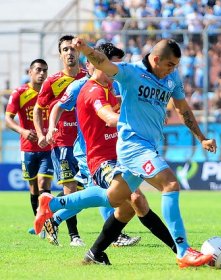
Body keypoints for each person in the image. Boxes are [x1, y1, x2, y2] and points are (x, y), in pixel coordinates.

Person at [35, 38, 217, 268]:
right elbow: (104, 63)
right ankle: (182, 250)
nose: (173, 70)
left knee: (114, 199)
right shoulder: (131, 73)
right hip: (132, 146)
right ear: (156, 59)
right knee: (170, 184)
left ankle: (52, 206)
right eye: (170, 65)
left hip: (146, 146)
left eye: (176, 66)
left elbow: (182, 109)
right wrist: (86, 50)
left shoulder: (171, 78)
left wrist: (201, 138)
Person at [45, 43, 173, 250]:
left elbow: (121, 105)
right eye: (110, 64)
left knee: (117, 198)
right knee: (119, 197)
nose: (113, 70)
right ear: (93, 64)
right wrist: (51, 129)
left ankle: (58, 220)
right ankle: (61, 215)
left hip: (116, 154)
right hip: (89, 153)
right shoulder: (84, 87)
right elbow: (60, 106)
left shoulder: (110, 86)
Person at [33, 35, 86, 246]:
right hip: (62, 142)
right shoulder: (53, 81)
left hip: (85, 143)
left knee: (86, 189)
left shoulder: (88, 77)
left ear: (79, 52)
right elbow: (38, 109)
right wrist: (41, 134)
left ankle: (49, 208)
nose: (70, 53)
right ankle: (75, 236)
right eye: (65, 49)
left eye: (73, 49)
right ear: (60, 54)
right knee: (71, 189)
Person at [5, 59, 53, 236]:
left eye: (45, 71)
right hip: (27, 148)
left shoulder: (50, 92)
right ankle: (39, 223)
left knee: (44, 184)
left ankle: (49, 226)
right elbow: (8, 119)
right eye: (38, 70)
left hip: (47, 147)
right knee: (33, 187)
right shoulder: (19, 93)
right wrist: (22, 131)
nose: (42, 74)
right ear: (29, 72)